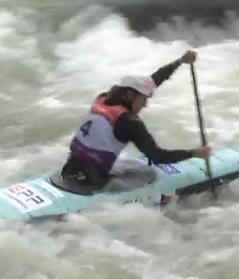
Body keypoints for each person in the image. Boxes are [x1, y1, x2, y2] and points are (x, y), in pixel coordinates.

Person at [60, 50, 212, 191]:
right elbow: (158, 157)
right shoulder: (129, 121)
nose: (145, 105)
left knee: (131, 165)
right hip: (92, 182)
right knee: (147, 174)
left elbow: (152, 81)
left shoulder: (102, 99)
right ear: (130, 95)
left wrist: (180, 61)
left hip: (69, 170)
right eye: (143, 99)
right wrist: (194, 153)